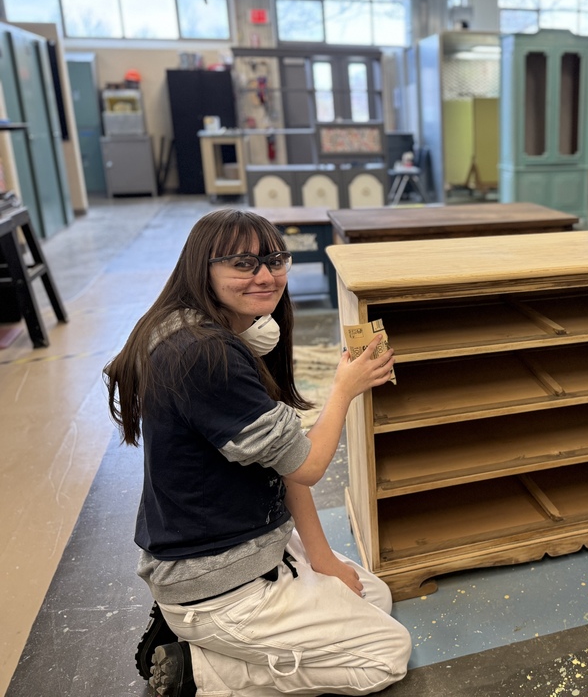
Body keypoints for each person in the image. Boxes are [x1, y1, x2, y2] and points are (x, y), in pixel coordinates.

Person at [104, 209, 411, 697]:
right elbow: (307, 466)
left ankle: (227, 636)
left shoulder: (215, 330)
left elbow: (282, 463)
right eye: (243, 264)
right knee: (387, 655)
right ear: (202, 268)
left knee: (376, 597)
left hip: (251, 543)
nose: (266, 276)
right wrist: (344, 390)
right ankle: (203, 668)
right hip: (214, 579)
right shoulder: (203, 357)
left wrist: (322, 557)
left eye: (274, 260)